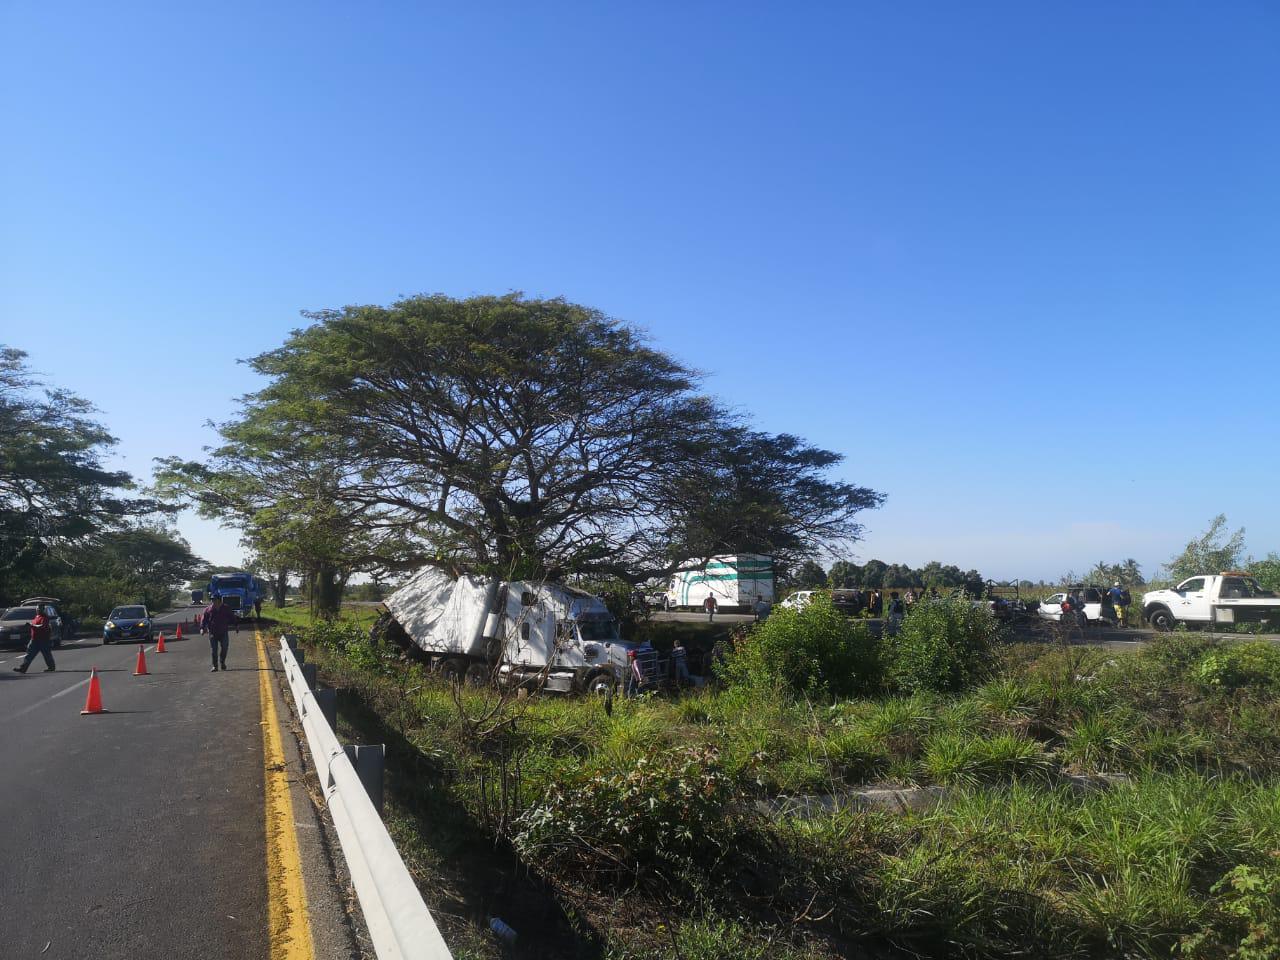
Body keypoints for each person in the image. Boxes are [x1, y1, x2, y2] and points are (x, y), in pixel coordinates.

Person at [200, 594, 239, 672]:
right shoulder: (208, 609)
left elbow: (232, 617)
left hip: (223, 632)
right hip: (212, 632)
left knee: (224, 647)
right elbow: (203, 620)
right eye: (212, 600)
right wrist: (202, 628)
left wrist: (236, 625)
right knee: (214, 650)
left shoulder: (226, 608)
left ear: (219, 600)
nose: (213, 601)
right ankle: (215, 666)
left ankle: (222, 662)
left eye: (214, 599)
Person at [12, 606, 55, 673]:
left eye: (39, 609)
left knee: (47, 654)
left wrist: (31, 625)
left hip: (43, 640)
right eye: (37, 609)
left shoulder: (45, 617)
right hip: (34, 639)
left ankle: (51, 667)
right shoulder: (37, 616)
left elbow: (42, 626)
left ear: (43, 610)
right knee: (29, 654)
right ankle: (23, 668)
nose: (37, 610)